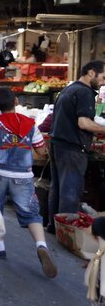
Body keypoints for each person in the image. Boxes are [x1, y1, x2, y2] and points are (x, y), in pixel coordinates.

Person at [0, 87, 56, 277]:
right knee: (31, 213)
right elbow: (40, 151)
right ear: (15, 101)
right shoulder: (30, 124)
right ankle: (41, 245)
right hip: (23, 177)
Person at [47, 60, 105, 234]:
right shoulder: (85, 92)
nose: (103, 81)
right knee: (70, 191)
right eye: (103, 77)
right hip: (72, 148)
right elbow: (84, 123)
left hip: (58, 145)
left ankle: (53, 227)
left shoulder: (69, 88)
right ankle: (66, 233)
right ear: (91, 73)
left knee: (57, 188)